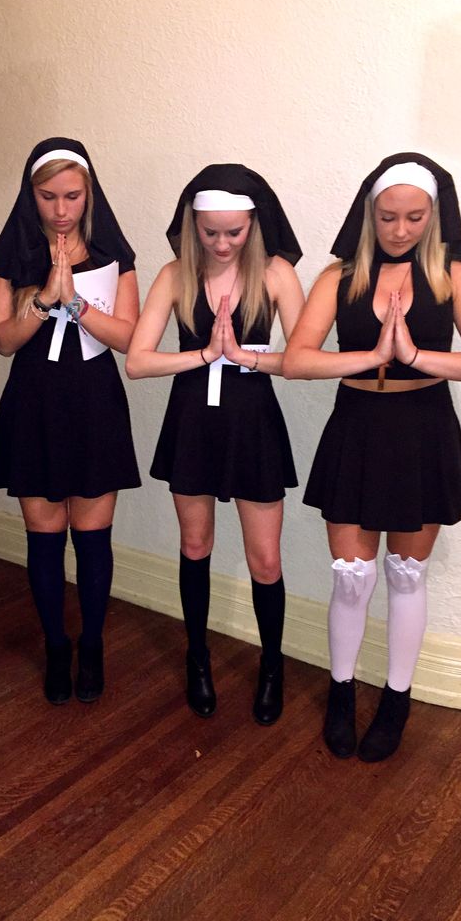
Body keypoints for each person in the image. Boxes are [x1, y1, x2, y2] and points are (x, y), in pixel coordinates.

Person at [283, 152, 461, 762]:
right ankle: (339, 692)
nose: (401, 229)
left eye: (414, 217)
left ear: (434, 216)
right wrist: (369, 356)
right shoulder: (341, 276)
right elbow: (297, 359)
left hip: (422, 430)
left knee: (407, 575)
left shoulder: (451, 275)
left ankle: (397, 699)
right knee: (351, 579)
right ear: (368, 213)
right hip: (355, 426)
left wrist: (413, 355)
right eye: (387, 217)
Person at [126, 164, 304, 723]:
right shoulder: (174, 274)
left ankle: (272, 666)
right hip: (193, 422)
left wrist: (247, 357)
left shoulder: (275, 274)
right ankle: (197, 657)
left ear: (254, 224)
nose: (223, 243)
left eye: (234, 231)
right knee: (195, 544)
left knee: (266, 559)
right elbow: (137, 362)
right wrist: (205, 354)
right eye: (210, 232)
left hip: (252, 422)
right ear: (192, 225)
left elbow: (304, 360)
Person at [0, 138, 140, 705]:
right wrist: (45, 298)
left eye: (72, 196)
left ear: (89, 193)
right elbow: (2, 341)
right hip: (34, 405)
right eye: (48, 196)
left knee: (93, 539)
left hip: (96, 401)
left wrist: (78, 305)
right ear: (31, 196)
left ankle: (92, 645)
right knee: (46, 539)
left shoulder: (111, 253)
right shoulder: (10, 259)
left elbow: (130, 338)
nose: (61, 209)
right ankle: (56, 645)